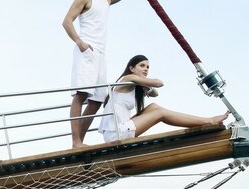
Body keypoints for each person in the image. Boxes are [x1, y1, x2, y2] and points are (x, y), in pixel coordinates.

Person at [63, 0, 135, 148]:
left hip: (101, 54)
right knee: (81, 95)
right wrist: (80, 43)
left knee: (97, 100)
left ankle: (80, 141)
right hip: (87, 50)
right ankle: (76, 141)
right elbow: (67, 21)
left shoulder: (106, 0)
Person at [98, 54, 230, 142]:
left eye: (148, 67)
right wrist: (146, 83)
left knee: (154, 107)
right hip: (116, 133)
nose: (146, 69)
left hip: (118, 129)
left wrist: (145, 86)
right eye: (142, 66)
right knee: (160, 113)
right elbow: (159, 83)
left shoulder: (134, 84)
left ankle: (206, 120)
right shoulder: (128, 79)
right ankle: (209, 121)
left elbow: (155, 93)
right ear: (131, 68)